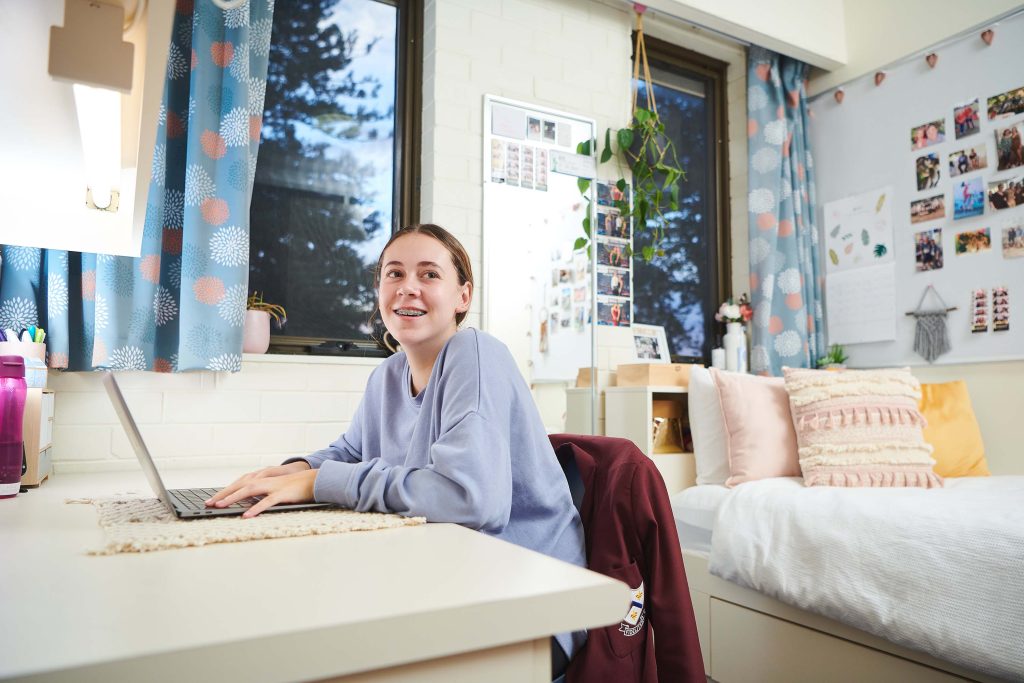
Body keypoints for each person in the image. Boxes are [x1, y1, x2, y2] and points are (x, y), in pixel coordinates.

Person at [206, 223, 586, 678]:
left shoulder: (475, 354)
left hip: (529, 604)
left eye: (429, 275)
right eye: (394, 274)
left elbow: (470, 499)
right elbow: (350, 450)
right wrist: (292, 471)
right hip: (453, 581)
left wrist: (319, 483)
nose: (408, 287)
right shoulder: (387, 375)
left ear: (463, 297)